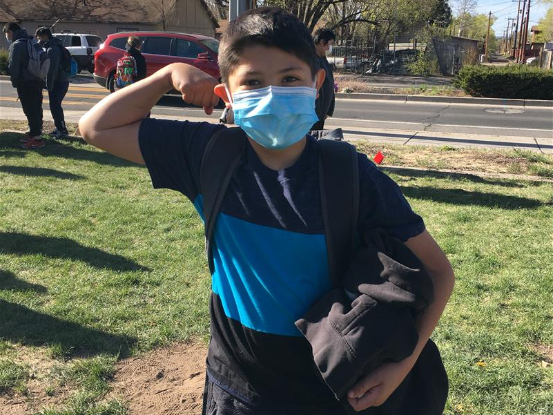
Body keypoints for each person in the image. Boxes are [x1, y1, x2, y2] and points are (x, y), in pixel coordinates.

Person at [79, 7, 455, 414]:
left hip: (330, 393)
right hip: (236, 390)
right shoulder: (207, 154)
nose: (273, 93)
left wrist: (402, 365)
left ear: (318, 84)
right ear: (227, 95)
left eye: (290, 79)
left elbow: (438, 273)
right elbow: (97, 127)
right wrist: (168, 74)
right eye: (253, 82)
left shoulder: (352, 175)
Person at [3, 22, 45, 149]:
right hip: (38, 80)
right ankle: (35, 133)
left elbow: (14, 67)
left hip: (25, 82)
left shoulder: (16, 45)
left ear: (10, 32)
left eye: (6, 33)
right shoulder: (31, 41)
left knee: (29, 109)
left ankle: (37, 139)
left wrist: (15, 82)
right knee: (37, 108)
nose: (6, 36)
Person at [35, 27, 69, 139]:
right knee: (55, 106)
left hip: (57, 82)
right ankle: (59, 128)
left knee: (55, 106)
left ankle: (61, 130)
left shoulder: (52, 49)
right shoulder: (57, 46)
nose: (39, 41)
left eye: (39, 38)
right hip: (61, 80)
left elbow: (52, 69)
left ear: (45, 37)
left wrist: (49, 84)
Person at [312, 28, 336, 132]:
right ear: (322, 42)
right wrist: (320, 112)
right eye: (329, 44)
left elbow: (329, 84)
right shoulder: (312, 60)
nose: (330, 48)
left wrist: (328, 110)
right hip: (314, 114)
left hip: (321, 114)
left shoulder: (323, 59)